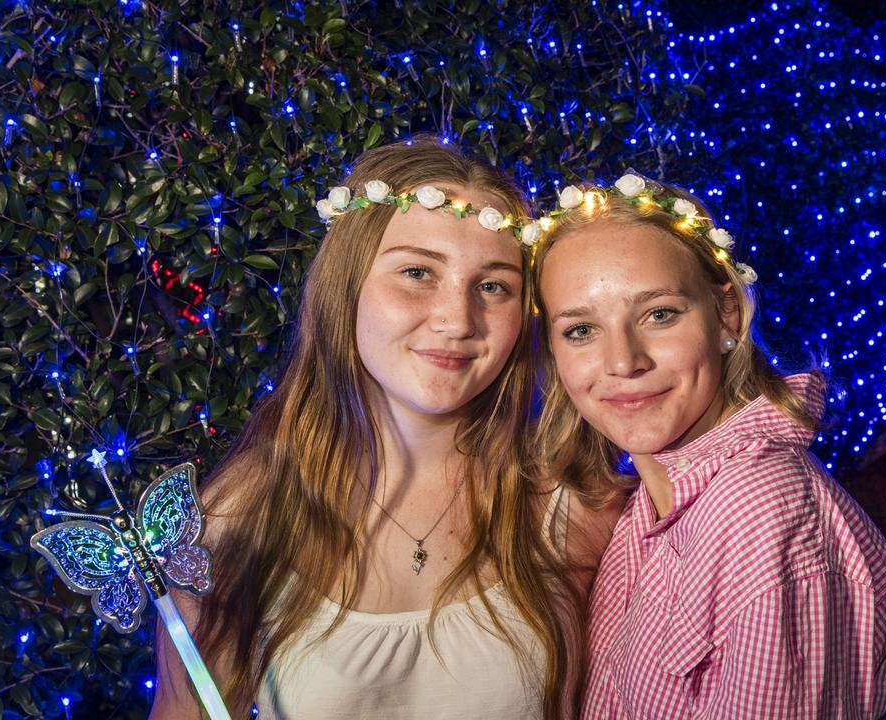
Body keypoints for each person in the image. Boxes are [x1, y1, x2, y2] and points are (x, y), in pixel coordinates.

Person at [150, 137, 613, 720]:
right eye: (417, 272)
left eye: (493, 286)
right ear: (347, 291)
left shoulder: (581, 512)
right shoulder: (235, 523)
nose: (456, 320)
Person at [529, 175, 886, 719]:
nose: (622, 362)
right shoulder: (653, 500)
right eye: (580, 330)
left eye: (659, 314)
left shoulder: (759, 513)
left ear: (726, 315)